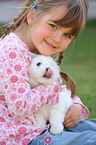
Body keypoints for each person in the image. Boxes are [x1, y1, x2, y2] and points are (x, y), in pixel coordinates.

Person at [0, 0, 96, 144]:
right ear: (32, 16)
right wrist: (52, 88)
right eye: (53, 26)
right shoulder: (12, 51)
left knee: (92, 127)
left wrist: (75, 105)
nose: (57, 39)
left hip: (46, 127)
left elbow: (57, 90)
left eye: (67, 35)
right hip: (23, 137)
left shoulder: (38, 51)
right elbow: (19, 107)